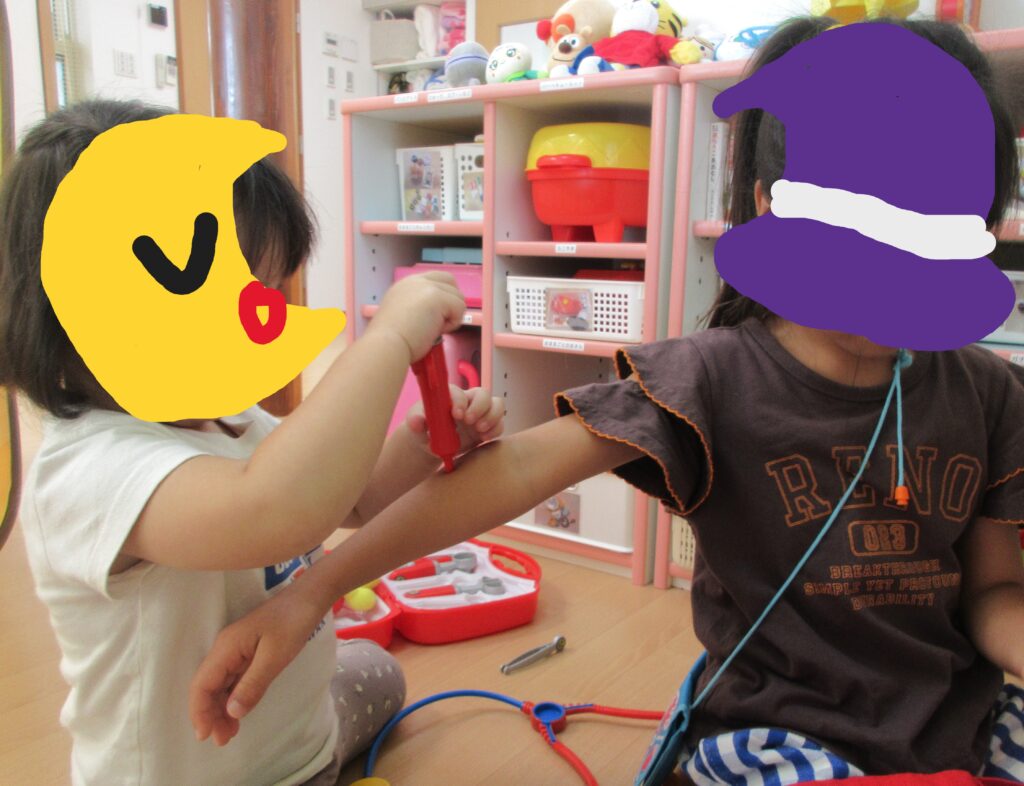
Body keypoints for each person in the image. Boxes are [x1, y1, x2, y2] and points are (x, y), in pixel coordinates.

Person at [189, 17, 1024, 785]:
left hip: (961, 720)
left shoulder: (988, 392)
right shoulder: (707, 382)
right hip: (780, 736)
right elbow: (514, 471)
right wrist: (312, 592)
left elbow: (992, 593)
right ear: (772, 209)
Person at [0, 99, 505, 785]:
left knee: (377, 669)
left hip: (302, 738)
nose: (259, 318)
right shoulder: (89, 467)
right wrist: (387, 339)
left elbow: (347, 500)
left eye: (263, 293)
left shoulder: (230, 417)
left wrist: (418, 447)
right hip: (197, 775)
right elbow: (276, 512)